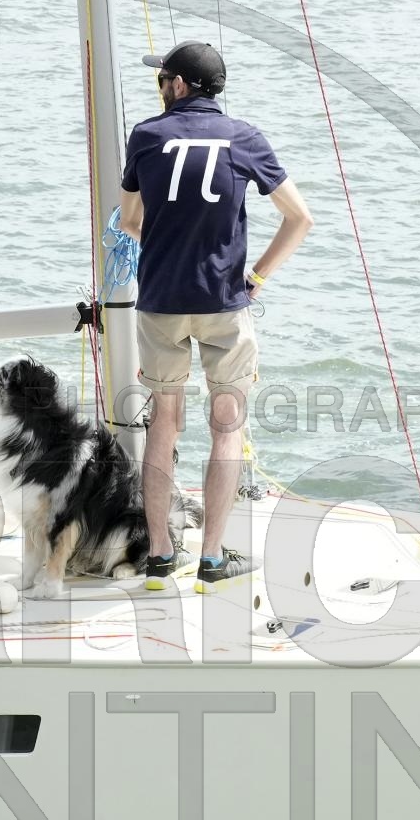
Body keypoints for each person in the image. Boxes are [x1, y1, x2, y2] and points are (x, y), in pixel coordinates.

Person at [117, 40, 313, 594]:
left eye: (162, 79)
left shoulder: (146, 136)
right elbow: (300, 218)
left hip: (161, 302)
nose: (160, 87)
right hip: (224, 303)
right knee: (227, 427)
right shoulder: (244, 137)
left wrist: (163, 248)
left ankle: (160, 557)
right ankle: (210, 559)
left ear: (179, 85)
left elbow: (129, 219)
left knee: (164, 424)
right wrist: (257, 278)